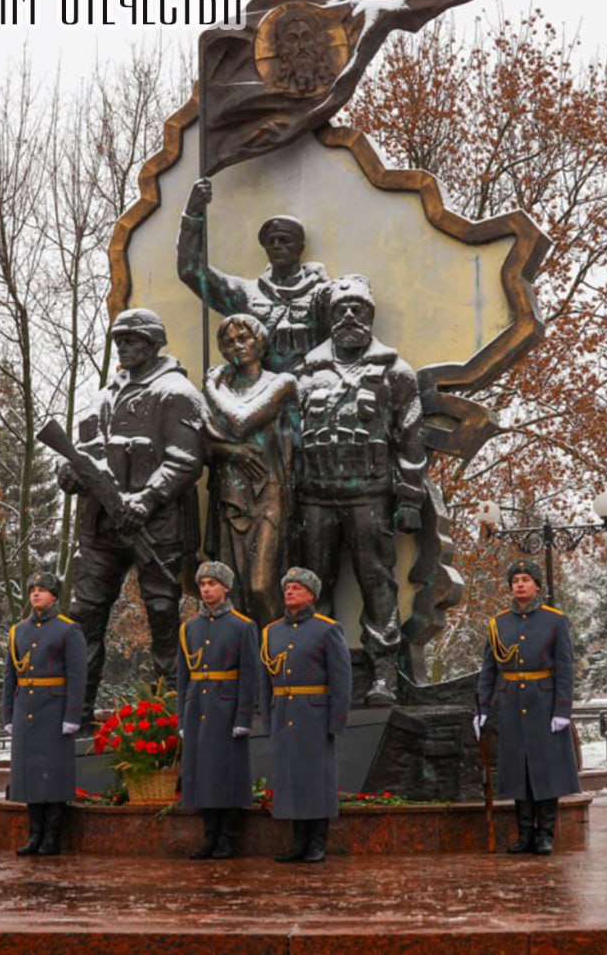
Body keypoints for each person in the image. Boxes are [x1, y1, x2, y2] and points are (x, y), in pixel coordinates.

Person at [57, 308, 206, 726]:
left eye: (132, 339)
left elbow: (185, 461)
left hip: (155, 525)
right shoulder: (103, 396)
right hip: (101, 523)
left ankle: (172, 712)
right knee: (85, 614)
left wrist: (146, 500)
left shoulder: (177, 393)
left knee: (162, 613)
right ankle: (77, 713)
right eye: (119, 340)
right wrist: (67, 472)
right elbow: (82, 453)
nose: (123, 346)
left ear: (154, 343)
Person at [295, 274, 426, 704]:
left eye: (358, 309)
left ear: (370, 316)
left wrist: (410, 498)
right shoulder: (305, 374)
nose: (349, 316)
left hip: (370, 495)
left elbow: (411, 438)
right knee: (312, 585)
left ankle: (384, 672)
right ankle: (314, 667)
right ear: (329, 317)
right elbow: (287, 441)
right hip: (314, 497)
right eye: (341, 309)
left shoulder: (395, 372)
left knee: (377, 583)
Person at [475, 560, 580, 856]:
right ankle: (524, 834)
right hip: (510, 704)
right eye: (515, 580)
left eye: (525, 579)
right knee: (518, 771)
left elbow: (565, 668)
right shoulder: (498, 623)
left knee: (546, 770)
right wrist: (482, 708)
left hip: (543, 703)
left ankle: (545, 833)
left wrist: (562, 709)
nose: (520, 585)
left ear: (536, 585)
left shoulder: (555, 620)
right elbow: (488, 670)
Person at [177, 178, 330, 375]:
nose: (276, 245)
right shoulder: (244, 293)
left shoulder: (322, 294)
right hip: (259, 389)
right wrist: (193, 214)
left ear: (300, 247)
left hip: (310, 386)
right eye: (271, 241)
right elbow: (190, 271)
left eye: (284, 240)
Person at [203, 314, 297, 628]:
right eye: (229, 342)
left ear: (260, 342)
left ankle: (274, 648)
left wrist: (211, 388)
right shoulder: (223, 389)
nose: (237, 346)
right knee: (233, 589)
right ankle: (242, 653)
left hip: (268, 493)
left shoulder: (281, 383)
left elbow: (242, 421)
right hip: (229, 495)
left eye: (244, 338)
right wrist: (233, 451)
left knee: (261, 586)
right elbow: (203, 444)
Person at [263, 567, 352, 863]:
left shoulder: (327, 629)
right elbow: (266, 679)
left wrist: (336, 720)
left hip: (314, 715)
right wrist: (268, 716)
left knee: (316, 779)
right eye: (287, 587)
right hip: (283, 712)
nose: (289, 591)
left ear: (311, 595)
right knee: (290, 779)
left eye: (297, 587)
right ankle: (298, 842)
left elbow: (341, 679)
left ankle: (317, 841)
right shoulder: (271, 632)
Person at [175, 561, 261, 859]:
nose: (206, 589)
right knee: (202, 776)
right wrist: (182, 717)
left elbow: (250, 675)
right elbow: (183, 676)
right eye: (202, 584)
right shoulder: (189, 628)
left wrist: (244, 717)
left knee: (227, 775)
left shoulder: (242, 626)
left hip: (226, 710)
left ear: (225, 587)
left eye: (212, 584)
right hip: (197, 708)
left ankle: (228, 837)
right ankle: (210, 835)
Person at [1, 571, 86, 856]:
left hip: (54, 711)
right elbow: (10, 676)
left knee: (53, 775)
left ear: (54, 595)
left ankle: (51, 836)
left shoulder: (68, 629)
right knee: (30, 776)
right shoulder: (18, 631)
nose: (35, 593)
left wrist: (73, 715)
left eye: (42, 589)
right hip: (25, 709)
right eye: (32, 589)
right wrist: (7, 714)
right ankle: (34, 834)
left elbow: (77, 676)